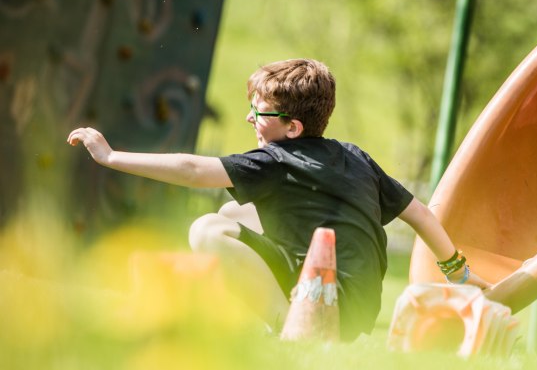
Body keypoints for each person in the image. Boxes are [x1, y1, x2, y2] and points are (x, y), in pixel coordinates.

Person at [67, 58, 490, 341]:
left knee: (207, 229)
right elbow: (419, 213)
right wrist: (457, 271)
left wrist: (111, 157)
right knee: (234, 211)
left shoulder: (275, 161)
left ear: (292, 128)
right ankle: (275, 317)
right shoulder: (355, 156)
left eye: (259, 111)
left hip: (326, 307)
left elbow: (193, 170)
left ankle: (287, 330)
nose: (249, 118)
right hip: (363, 309)